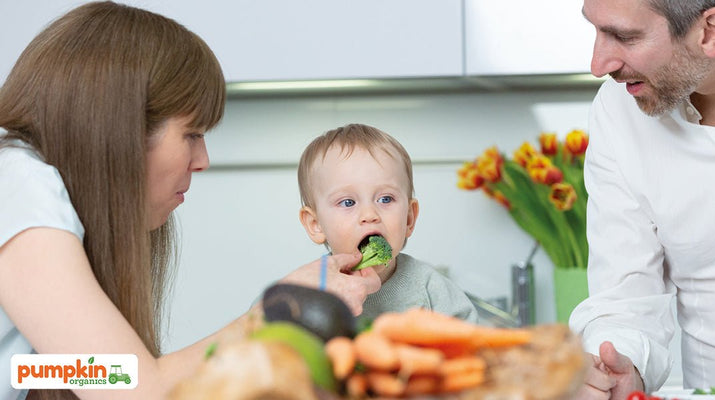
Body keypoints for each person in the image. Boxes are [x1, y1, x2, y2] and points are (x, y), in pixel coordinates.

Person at [0, 2, 379, 400]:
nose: (203, 161)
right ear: (122, 127)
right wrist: (276, 313)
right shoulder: (17, 181)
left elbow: (36, 371)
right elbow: (136, 390)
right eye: (192, 134)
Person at [572, 0, 715, 398]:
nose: (599, 63)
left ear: (711, 31)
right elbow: (625, 299)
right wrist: (620, 365)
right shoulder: (616, 115)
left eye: (624, 36)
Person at [296, 123, 479, 324]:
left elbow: (474, 340)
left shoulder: (431, 289)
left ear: (409, 218)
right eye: (348, 202)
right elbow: (258, 328)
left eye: (385, 199)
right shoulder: (310, 288)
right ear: (316, 224)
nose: (369, 214)